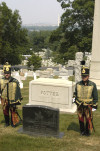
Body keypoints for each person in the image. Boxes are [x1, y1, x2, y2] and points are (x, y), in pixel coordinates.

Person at [74, 66, 98, 136]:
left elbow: (95, 96)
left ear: (88, 76)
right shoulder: (78, 84)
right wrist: (74, 99)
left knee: (88, 119)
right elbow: (75, 93)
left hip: (88, 105)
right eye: (82, 76)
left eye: (85, 76)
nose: (84, 77)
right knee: (81, 118)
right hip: (80, 105)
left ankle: (87, 132)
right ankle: (82, 131)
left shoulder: (92, 85)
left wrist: (95, 105)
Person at [0, 62, 22, 127]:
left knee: (13, 111)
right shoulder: (1, 81)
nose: (7, 74)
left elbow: (18, 91)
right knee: (5, 111)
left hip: (12, 99)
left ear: (10, 73)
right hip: (4, 99)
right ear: (4, 73)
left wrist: (17, 100)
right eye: (5, 73)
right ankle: (7, 123)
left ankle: (13, 123)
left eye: (8, 73)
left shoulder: (15, 81)